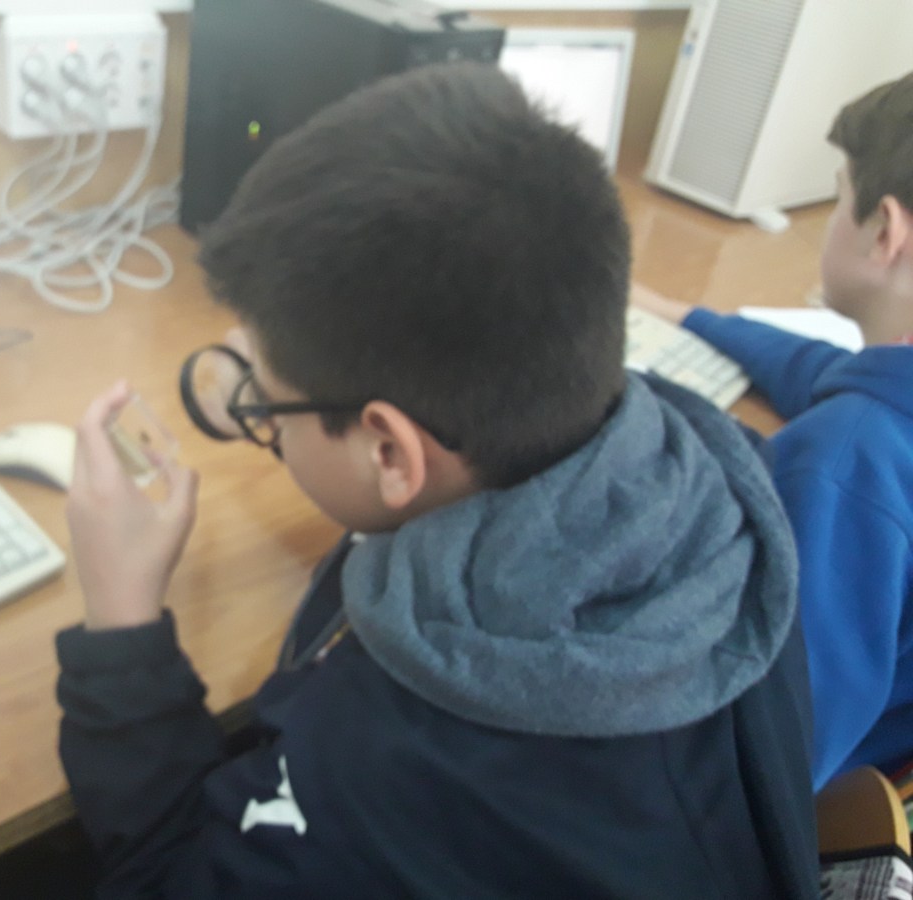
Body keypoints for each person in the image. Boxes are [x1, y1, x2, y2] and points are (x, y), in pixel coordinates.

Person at [56, 62, 819, 897]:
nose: (261, 417)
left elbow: (170, 878)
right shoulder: (717, 487)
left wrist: (121, 619)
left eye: (267, 403)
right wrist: (293, 372)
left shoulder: (380, 781)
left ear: (390, 455)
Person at [635, 70, 913, 792]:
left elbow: (759, 760)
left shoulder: (844, 467)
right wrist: (687, 316)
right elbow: (831, 373)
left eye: (839, 196)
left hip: (788, 805)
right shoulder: (885, 411)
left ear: (885, 231)